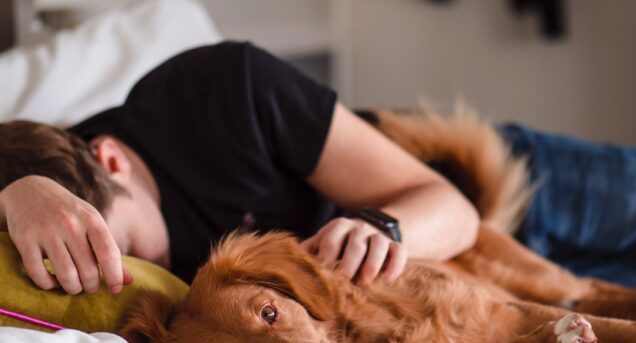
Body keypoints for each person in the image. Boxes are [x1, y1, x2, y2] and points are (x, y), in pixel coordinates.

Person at [0, 41, 480, 295]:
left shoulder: (227, 89)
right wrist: (16, 192)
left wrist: (381, 229)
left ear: (111, 161)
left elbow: (455, 208)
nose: (133, 276)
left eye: (124, 248)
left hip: (449, 154)